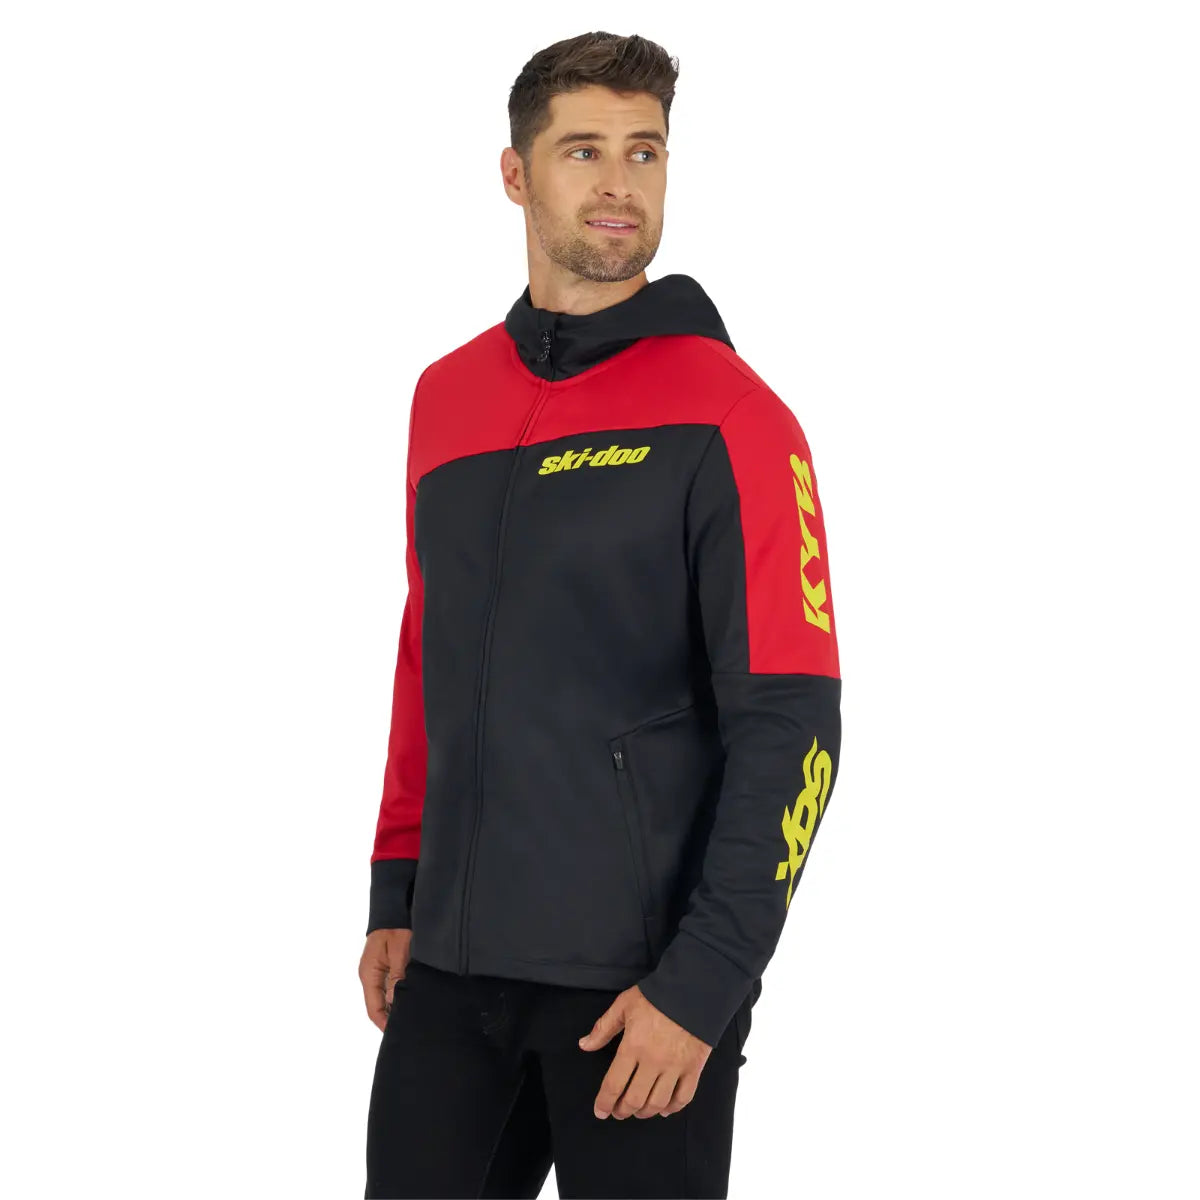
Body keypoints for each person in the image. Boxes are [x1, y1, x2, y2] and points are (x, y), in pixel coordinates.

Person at [359, 30, 842, 1200]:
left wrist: (704, 986)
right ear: (515, 174)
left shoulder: (735, 414)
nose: (620, 182)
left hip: (640, 992)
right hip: (452, 978)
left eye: (645, 151)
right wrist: (397, 890)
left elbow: (796, 727)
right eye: (584, 151)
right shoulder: (445, 397)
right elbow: (429, 653)